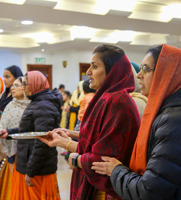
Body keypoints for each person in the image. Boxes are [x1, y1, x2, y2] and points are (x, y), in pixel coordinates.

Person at [40, 44, 141, 200]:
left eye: (94, 66)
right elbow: (97, 138)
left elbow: (101, 159)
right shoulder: (108, 98)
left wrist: (63, 144)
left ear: (112, 70)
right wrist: (70, 134)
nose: (88, 72)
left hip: (103, 191)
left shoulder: (118, 101)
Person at [92, 44, 181, 200]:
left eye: (146, 69)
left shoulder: (172, 120)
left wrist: (116, 170)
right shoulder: (165, 112)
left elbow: (150, 190)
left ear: (166, 74)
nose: (139, 75)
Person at [0, 71, 62, 200]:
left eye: (25, 84)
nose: (23, 87)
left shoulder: (43, 105)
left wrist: (31, 172)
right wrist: (9, 133)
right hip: (30, 163)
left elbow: (42, 142)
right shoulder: (37, 101)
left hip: (37, 170)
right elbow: (29, 131)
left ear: (35, 84)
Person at [0, 77, 30, 200]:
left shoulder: (32, 106)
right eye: (13, 85)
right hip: (11, 152)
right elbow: (3, 126)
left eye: (16, 85)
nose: (12, 88)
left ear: (25, 87)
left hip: (27, 153)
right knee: (14, 186)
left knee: (26, 189)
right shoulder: (10, 105)